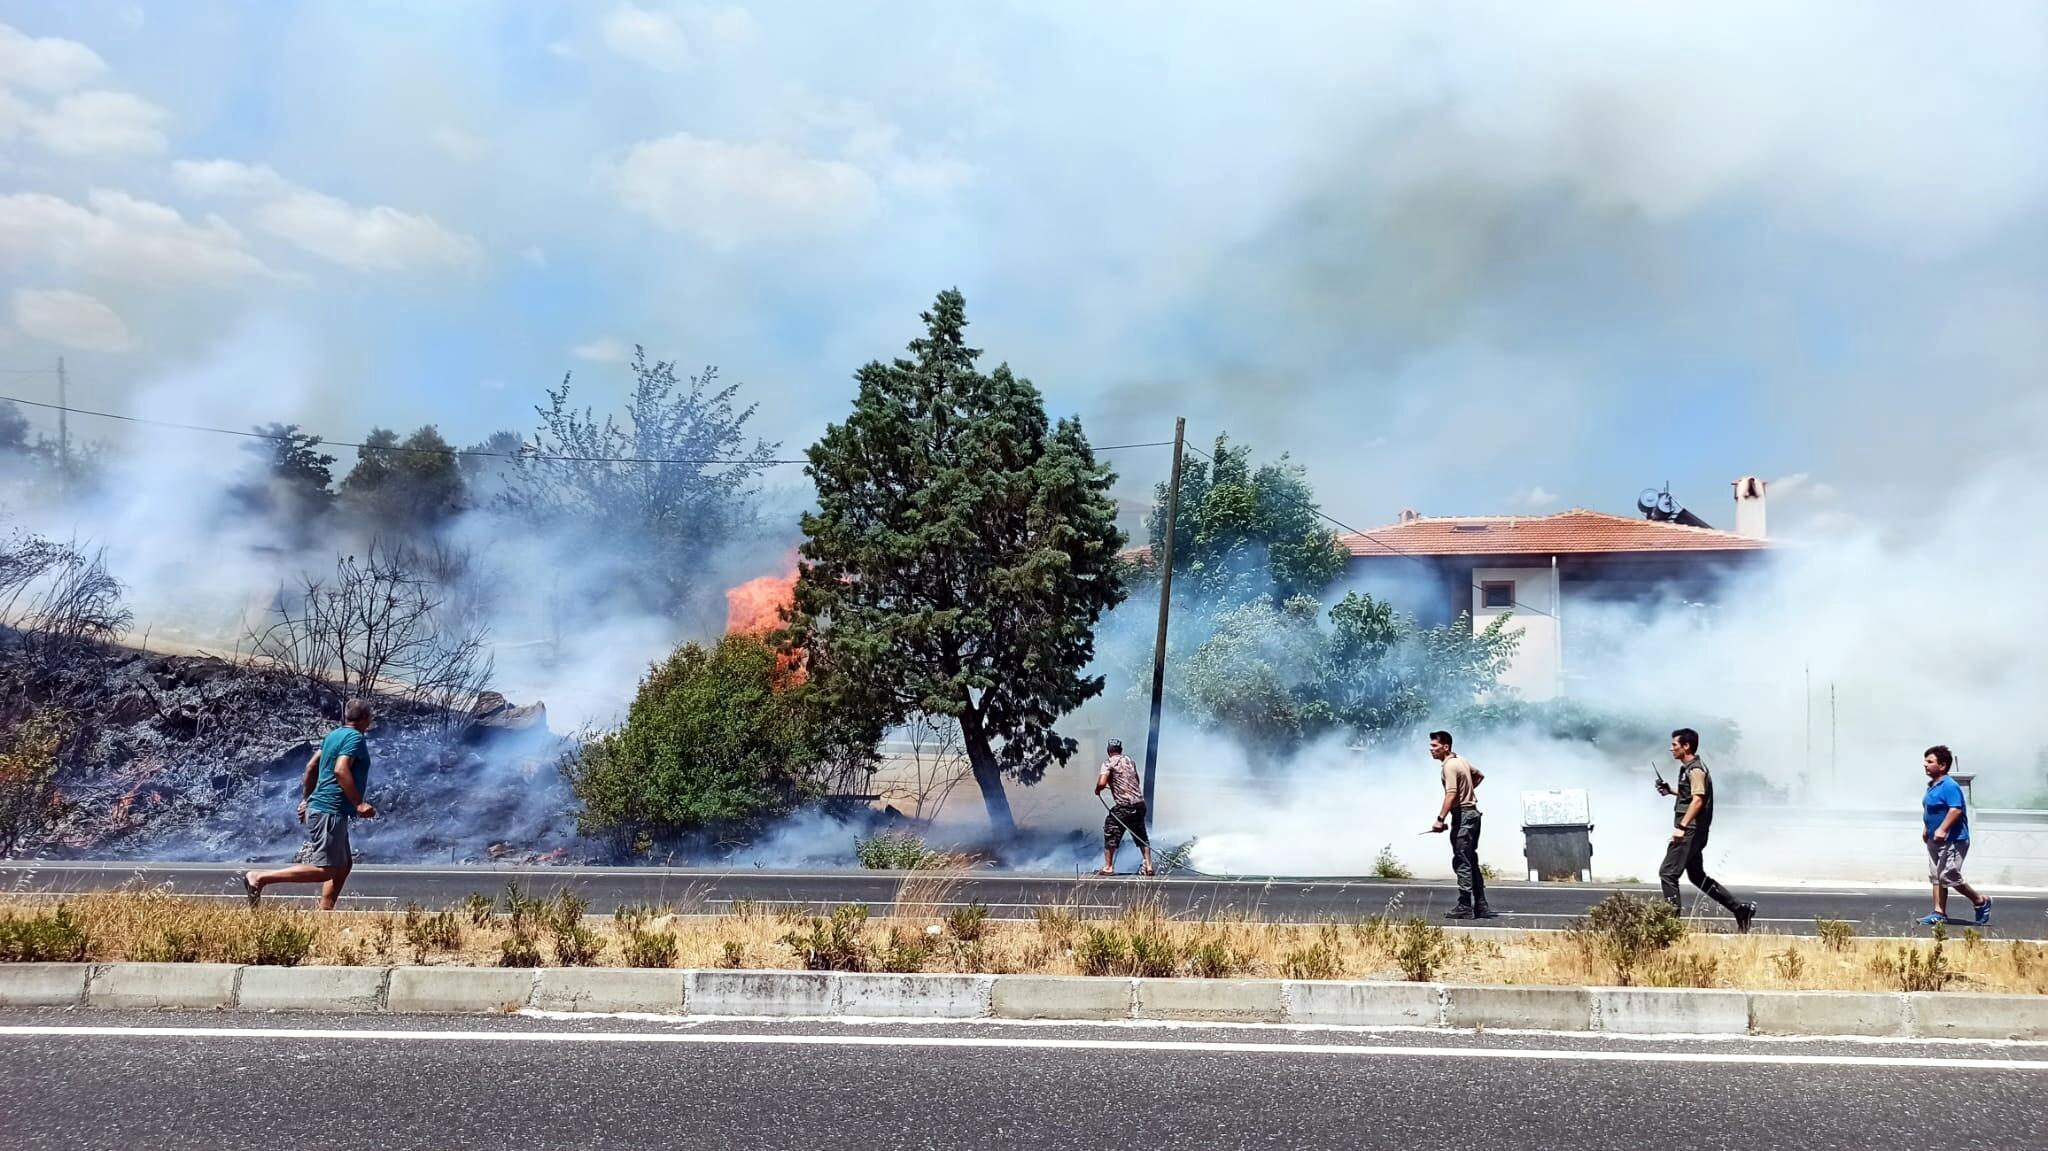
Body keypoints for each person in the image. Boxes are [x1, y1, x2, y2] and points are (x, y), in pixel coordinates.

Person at [237, 698, 376, 910]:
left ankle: (325, 912)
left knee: (344, 864)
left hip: (325, 807)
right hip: (330, 809)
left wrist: (306, 799)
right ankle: (259, 877)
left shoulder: (333, 735)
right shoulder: (355, 738)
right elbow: (340, 769)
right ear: (366, 718)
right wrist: (358, 803)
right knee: (326, 870)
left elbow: (312, 766)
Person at [1655, 727, 1757, 933]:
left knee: (1668, 873)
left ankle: (1670, 928)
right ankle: (1740, 909)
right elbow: (1690, 795)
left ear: (1686, 746)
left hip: (1690, 831)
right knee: (1696, 876)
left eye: (1674, 745)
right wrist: (1670, 791)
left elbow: (1698, 800)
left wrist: (1682, 827)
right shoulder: (1689, 768)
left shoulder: (1695, 770)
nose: (1671, 749)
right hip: (1695, 832)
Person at [1427, 730, 1496, 919]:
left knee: (1462, 861)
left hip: (1463, 815)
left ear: (1445, 747)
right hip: (1473, 814)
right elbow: (1479, 776)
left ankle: (1465, 905)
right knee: (1471, 860)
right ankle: (1481, 905)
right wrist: (1467, 792)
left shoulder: (1449, 766)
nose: (1431, 749)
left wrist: (1440, 819)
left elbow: (1450, 794)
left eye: (1434, 746)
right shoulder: (1461, 761)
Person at [1921, 744, 1991, 927]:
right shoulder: (1932, 786)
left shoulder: (1949, 786)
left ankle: (1980, 901)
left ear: (1942, 765)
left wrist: (1942, 829)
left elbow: (1955, 810)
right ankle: (1938, 912)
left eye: (1930, 761)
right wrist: (1926, 829)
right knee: (1937, 876)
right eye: (1925, 761)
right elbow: (1930, 810)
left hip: (1953, 839)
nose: (1925, 765)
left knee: (1949, 875)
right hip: (1934, 840)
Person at [1093, 738, 1153, 877]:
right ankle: (1148, 866)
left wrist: (1097, 790)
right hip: (1139, 805)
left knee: (1110, 829)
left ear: (1109, 750)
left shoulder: (1108, 763)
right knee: (1141, 835)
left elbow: (1102, 783)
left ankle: (1108, 867)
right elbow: (1136, 780)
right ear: (1120, 750)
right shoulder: (1130, 761)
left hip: (1124, 806)